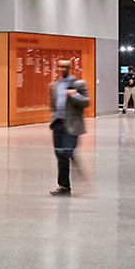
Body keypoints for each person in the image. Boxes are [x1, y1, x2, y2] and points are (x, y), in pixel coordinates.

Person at [49, 58, 89, 196]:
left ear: (70, 68)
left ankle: (74, 162)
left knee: (66, 152)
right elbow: (53, 104)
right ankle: (64, 186)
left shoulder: (78, 84)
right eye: (59, 67)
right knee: (60, 155)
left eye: (64, 67)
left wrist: (75, 95)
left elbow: (86, 102)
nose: (62, 69)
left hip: (72, 124)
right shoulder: (54, 86)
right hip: (58, 124)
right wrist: (53, 118)